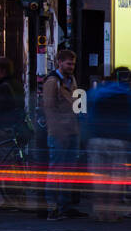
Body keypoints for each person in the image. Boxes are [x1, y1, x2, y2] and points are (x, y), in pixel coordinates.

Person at [42, 49, 85, 220]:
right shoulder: (52, 82)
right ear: (59, 62)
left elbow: (75, 104)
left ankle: (64, 206)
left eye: (73, 64)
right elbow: (49, 109)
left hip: (72, 131)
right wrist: (57, 130)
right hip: (59, 133)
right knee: (56, 169)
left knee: (69, 170)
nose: (71, 67)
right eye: (68, 63)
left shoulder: (71, 79)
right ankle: (52, 207)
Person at [84, 67, 131, 221]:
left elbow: (87, 114)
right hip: (119, 141)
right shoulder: (127, 92)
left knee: (99, 178)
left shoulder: (98, 91)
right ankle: (111, 212)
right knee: (117, 178)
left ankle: (100, 211)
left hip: (97, 139)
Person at [0, 57, 27, 141]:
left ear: (3, 71)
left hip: (5, 129)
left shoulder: (2, 87)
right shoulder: (17, 84)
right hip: (17, 127)